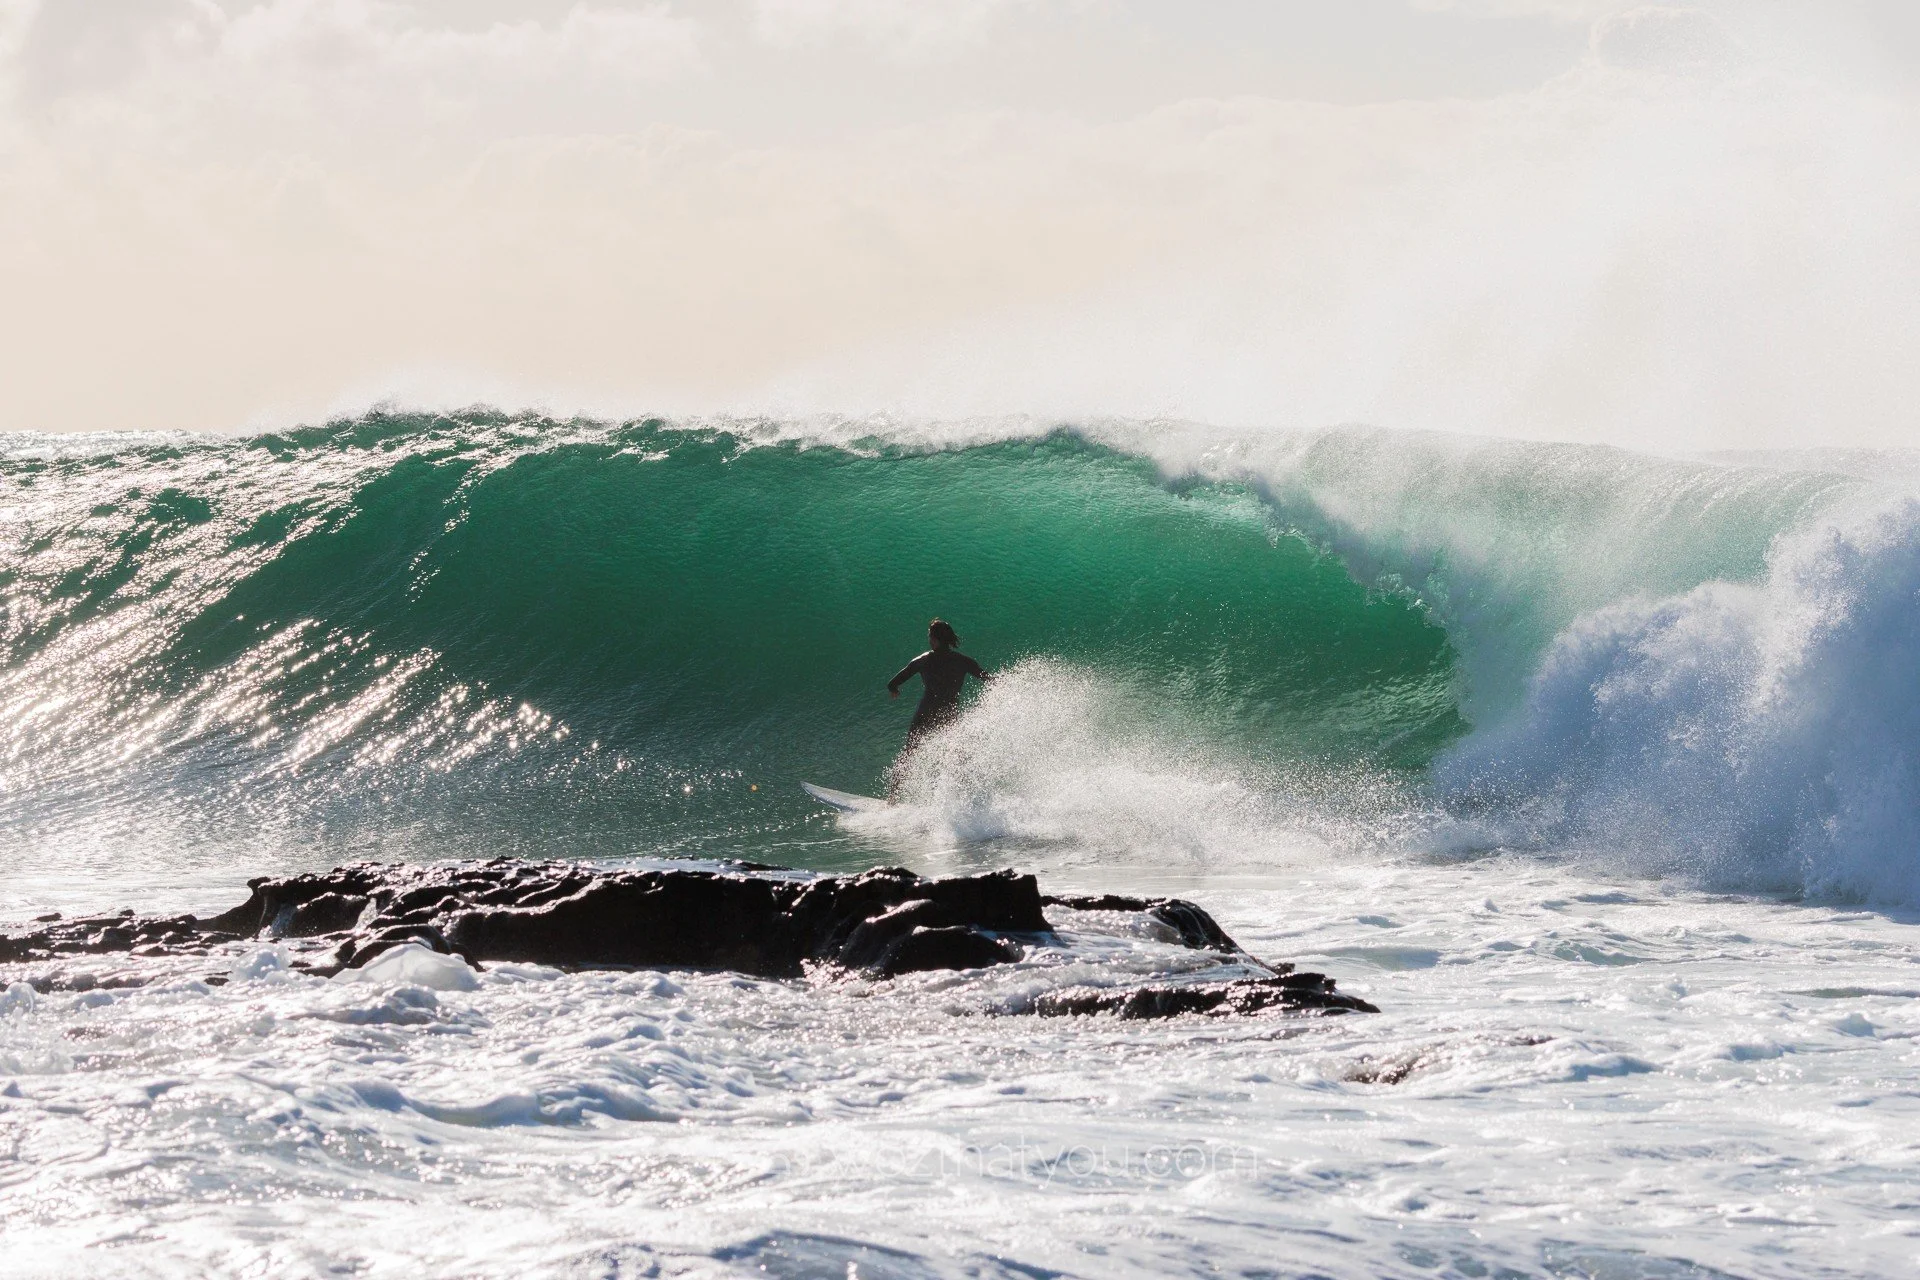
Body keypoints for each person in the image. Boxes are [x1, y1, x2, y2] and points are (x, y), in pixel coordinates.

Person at [888, 618, 988, 747]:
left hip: (926, 712)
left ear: (935, 640)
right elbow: (989, 679)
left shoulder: (923, 661)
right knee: (955, 752)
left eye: (930, 636)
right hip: (948, 712)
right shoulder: (963, 661)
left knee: (910, 752)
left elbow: (892, 684)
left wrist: (894, 690)